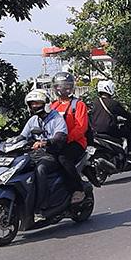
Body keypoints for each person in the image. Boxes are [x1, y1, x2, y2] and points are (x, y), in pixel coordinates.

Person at [19, 89, 72, 195]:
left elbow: (60, 136)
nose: (34, 106)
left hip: (52, 154)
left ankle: (43, 199)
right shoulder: (33, 120)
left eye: (37, 103)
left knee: (40, 169)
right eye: (32, 104)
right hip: (36, 154)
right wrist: (4, 145)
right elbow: (22, 137)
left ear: (46, 103)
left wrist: (44, 142)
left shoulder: (56, 118)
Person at [47, 72, 89, 204]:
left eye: (66, 86)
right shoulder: (53, 106)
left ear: (71, 87)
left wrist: (66, 139)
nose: (62, 89)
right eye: (59, 86)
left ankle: (78, 189)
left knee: (63, 158)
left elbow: (81, 127)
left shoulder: (78, 105)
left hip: (75, 142)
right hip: (56, 142)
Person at [90, 79, 131, 157]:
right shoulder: (113, 103)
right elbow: (125, 114)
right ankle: (130, 153)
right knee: (128, 133)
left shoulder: (95, 103)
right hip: (110, 131)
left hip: (96, 131)